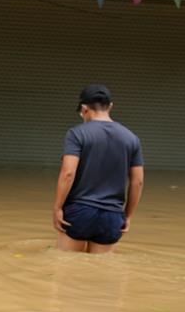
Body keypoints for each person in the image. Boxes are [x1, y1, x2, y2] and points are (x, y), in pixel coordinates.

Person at [53, 84, 145, 253]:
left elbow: (68, 173)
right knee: (101, 273)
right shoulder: (132, 138)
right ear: (110, 106)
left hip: (79, 211)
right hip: (112, 215)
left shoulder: (77, 134)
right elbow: (138, 182)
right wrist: (128, 216)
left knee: (66, 268)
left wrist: (57, 208)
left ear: (84, 108)